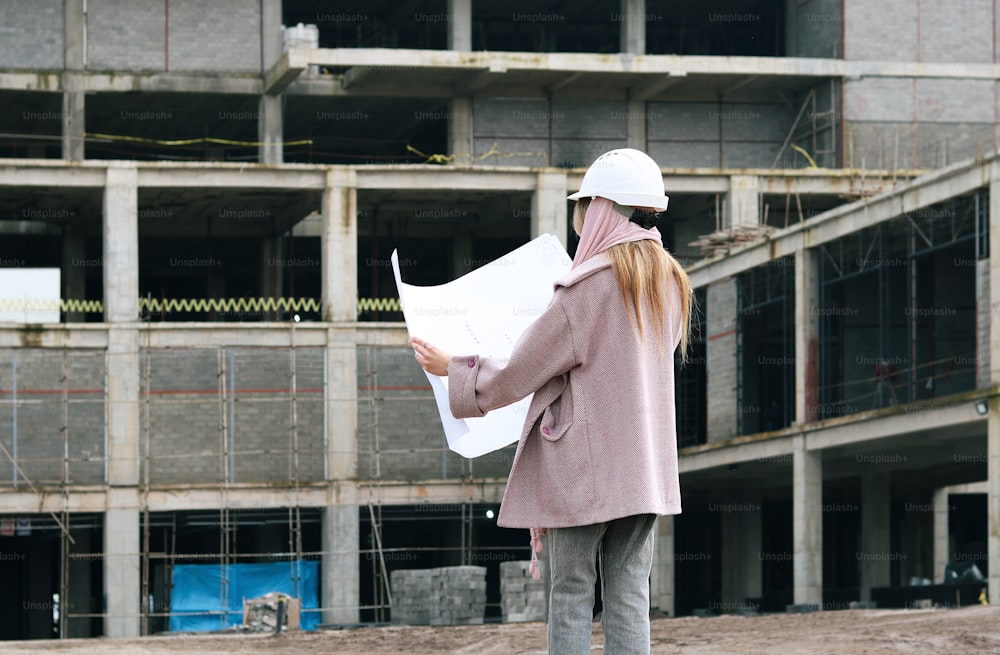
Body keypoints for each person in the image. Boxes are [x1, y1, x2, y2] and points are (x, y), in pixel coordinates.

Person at [410, 148, 694, 655]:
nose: (580, 219)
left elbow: (520, 371)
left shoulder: (588, 288)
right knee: (629, 593)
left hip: (582, 471)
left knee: (569, 592)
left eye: (584, 206)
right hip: (644, 471)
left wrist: (453, 368)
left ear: (605, 207)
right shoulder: (669, 282)